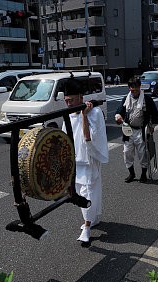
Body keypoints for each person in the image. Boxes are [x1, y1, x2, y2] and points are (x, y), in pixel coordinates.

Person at [62, 78, 109, 244]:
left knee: (88, 192)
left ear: (81, 97)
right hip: (75, 162)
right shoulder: (67, 114)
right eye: (67, 101)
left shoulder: (94, 113)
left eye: (72, 100)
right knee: (80, 192)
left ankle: (87, 226)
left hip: (89, 159)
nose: (69, 104)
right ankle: (92, 218)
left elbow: (90, 138)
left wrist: (84, 116)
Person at [115, 77, 158, 183]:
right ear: (129, 88)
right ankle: (131, 173)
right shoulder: (126, 99)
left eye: (135, 87)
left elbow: (155, 114)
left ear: (139, 87)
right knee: (127, 152)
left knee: (143, 153)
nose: (133, 90)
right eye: (131, 87)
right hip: (128, 129)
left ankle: (144, 174)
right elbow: (119, 111)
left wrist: (152, 126)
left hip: (141, 130)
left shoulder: (147, 99)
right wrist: (118, 117)